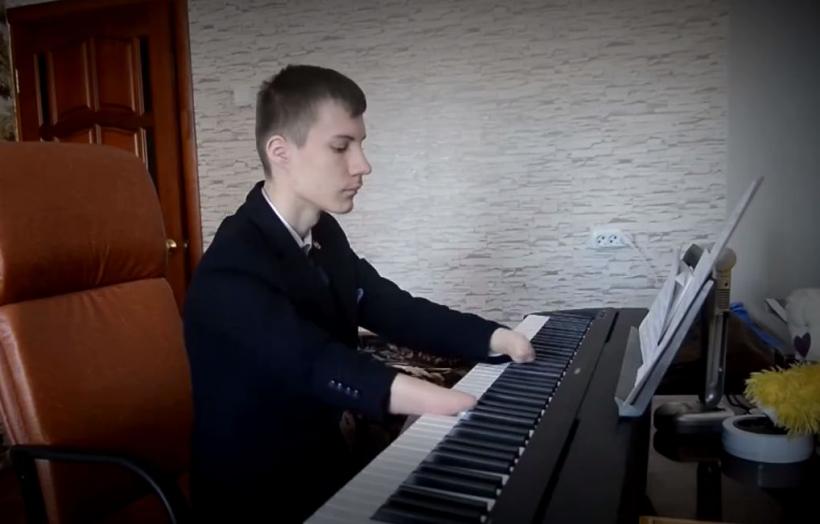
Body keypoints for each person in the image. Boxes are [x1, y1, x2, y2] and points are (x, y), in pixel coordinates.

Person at [182, 64, 535, 522]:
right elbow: (313, 362)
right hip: (259, 493)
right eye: (341, 146)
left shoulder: (324, 233)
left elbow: (394, 307)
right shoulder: (232, 263)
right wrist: (452, 404)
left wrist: (494, 337)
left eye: (360, 144)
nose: (363, 165)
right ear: (280, 152)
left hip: (324, 461)